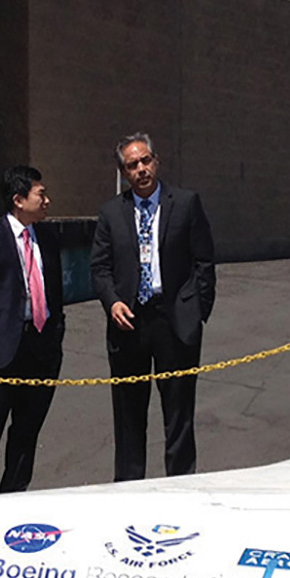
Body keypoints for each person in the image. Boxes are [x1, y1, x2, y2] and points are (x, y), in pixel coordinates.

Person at [90, 132, 216, 481]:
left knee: (178, 411)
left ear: (156, 161)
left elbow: (204, 260)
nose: (141, 169)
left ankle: (181, 482)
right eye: (133, 165)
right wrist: (112, 301)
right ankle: (130, 486)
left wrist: (198, 310)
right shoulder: (111, 212)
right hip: (129, 322)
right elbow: (99, 267)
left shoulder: (186, 203)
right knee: (129, 412)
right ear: (123, 172)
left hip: (174, 318)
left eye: (146, 161)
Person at [0, 166, 64, 496]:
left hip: (41, 346)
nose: (47, 200)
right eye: (40, 194)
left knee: (28, 428)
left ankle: (14, 495)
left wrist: (56, 330)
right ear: (19, 200)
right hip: (1, 347)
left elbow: (55, 288)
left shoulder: (47, 236)